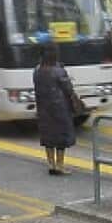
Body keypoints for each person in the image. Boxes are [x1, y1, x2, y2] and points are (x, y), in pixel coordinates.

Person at [33, 43, 81, 175]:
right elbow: (68, 89)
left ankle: (51, 164)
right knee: (61, 137)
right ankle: (60, 165)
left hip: (43, 107)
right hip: (60, 108)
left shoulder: (37, 70)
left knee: (48, 135)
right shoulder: (58, 70)